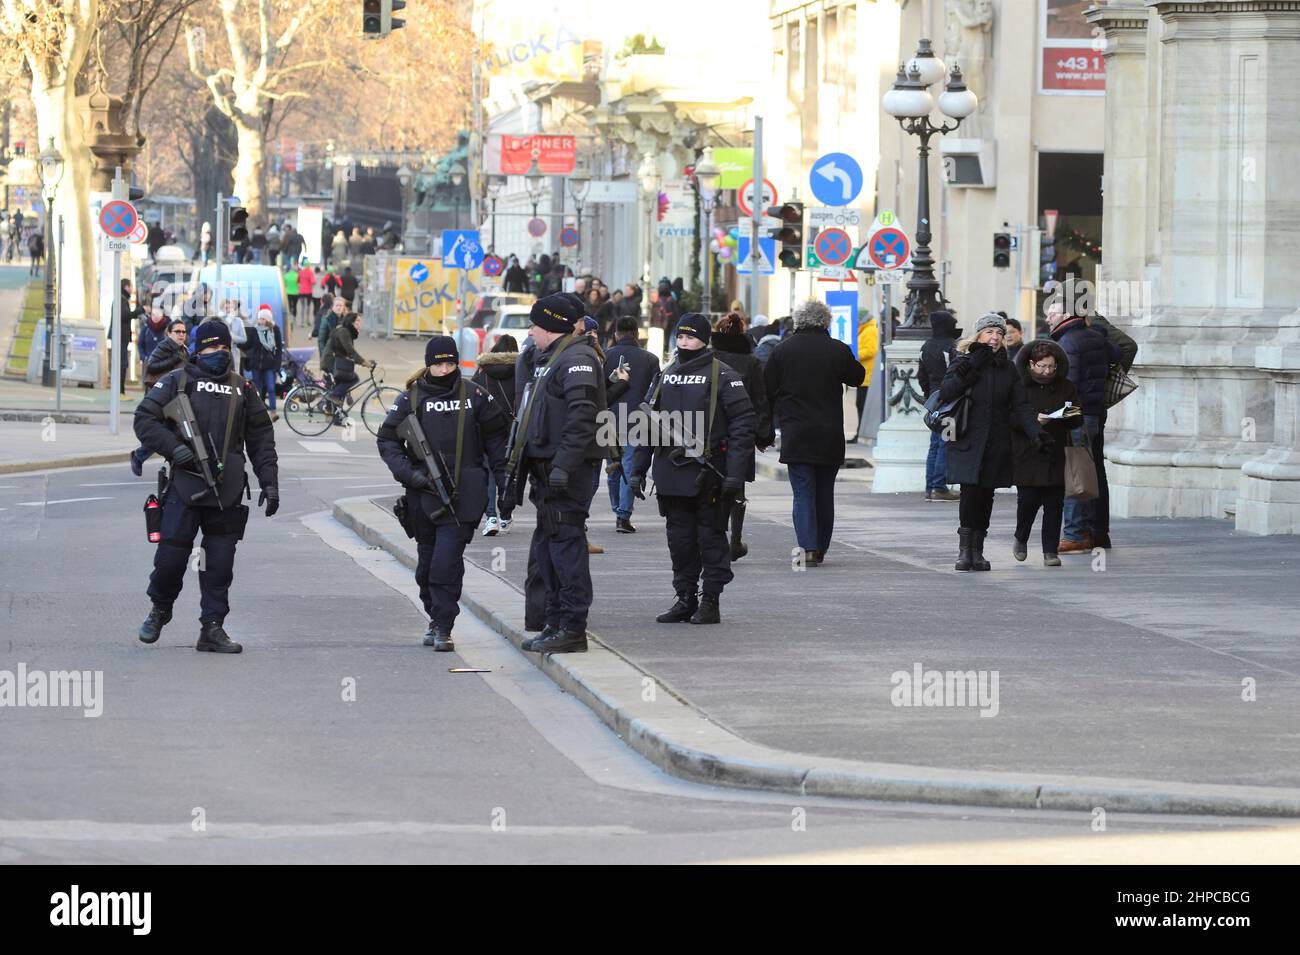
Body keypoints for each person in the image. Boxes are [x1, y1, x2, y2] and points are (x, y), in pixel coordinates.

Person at [133, 319, 279, 653]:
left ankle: (212, 628)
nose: (219, 353)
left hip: (226, 490)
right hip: (185, 485)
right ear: (199, 349)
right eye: (212, 347)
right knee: (171, 558)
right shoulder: (177, 381)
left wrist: (269, 483)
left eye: (225, 347)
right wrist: (175, 449)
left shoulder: (243, 388)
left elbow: (261, 438)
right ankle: (160, 610)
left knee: (219, 565)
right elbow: (144, 419)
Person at [378, 335, 510, 650]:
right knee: (426, 568)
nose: (445, 368)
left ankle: (443, 625)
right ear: (429, 364)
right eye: (438, 363)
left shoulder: (475, 395)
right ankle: (435, 616)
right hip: (422, 495)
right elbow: (387, 439)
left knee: (445, 563)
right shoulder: (411, 398)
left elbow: (497, 443)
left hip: (463, 496)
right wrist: (410, 474)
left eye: (450, 362)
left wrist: (506, 486)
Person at [628, 315, 756, 624]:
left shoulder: (724, 375)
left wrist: (736, 474)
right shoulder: (665, 375)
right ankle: (685, 597)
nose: (684, 343)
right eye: (680, 337)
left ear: (704, 339)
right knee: (680, 540)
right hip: (671, 472)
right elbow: (648, 423)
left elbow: (743, 424)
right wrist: (636, 470)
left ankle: (710, 601)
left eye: (691, 337)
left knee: (710, 538)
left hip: (709, 473)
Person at [505, 293, 605, 654]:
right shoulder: (549, 358)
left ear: (552, 326)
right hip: (547, 471)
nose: (530, 331)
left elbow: (582, 418)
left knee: (567, 549)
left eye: (534, 325)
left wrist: (563, 465)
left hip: (566, 472)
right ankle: (555, 621)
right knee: (551, 548)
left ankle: (572, 628)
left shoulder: (577, 358)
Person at [939, 312, 1047, 572]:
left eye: (999, 333)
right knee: (969, 493)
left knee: (986, 495)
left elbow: (1020, 406)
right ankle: (965, 552)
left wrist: (1036, 433)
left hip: (996, 441)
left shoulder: (1007, 368)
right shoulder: (963, 360)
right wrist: (972, 366)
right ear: (979, 335)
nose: (995, 337)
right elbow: (946, 392)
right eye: (990, 332)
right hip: (967, 439)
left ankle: (978, 552)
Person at [763, 300, 865, 566]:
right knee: (824, 492)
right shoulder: (837, 350)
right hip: (829, 433)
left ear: (798, 321)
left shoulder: (782, 350)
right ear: (826, 322)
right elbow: (857, 376)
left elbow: (767, 388)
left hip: (796, 432)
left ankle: (807, 547)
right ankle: (820, 548)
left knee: (803, 492)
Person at [1047, 300, 1121, 553]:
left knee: (1075, 473)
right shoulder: (1094, 337)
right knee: (1092, 472)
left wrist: (1056, 416)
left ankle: (1075, 534)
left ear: (1067, 315)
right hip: (1095, 413)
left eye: (1052, 314)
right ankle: (1096, 532)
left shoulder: (1068, 343)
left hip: (1077, 416)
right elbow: (1120, 352)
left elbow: (1070, 388)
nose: (1048, 319)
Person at [711, 312, 773, 558]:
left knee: (710, 484)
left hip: (711, 432)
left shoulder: (708, 359)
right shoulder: (751, 363)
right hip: (742, 431)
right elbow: (760, 401)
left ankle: (715, 537)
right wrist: (763, 436)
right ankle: (734, 542)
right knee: (737, 488)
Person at [1012, 339, 1078, 566]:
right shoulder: (1020, 386)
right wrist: (1034, 420)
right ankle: (1021, 537)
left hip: (1056, 451)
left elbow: (1077, 415)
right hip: (1027, 453)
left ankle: (1050, 551)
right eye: (1042, 366)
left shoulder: (1066, 386)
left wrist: (1064, 415)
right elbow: (1010, 418)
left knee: (1054, 504)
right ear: (1031, 364)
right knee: (1028, 502)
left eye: (1051, 367)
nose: (1047, 371)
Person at [603, 316, 660, 533]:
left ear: (616, 334)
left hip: (608, 419)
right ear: (637, 333)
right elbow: (655, 393)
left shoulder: (606, 356)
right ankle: (623, 515)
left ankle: (617, 506)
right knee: (629, 465)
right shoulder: (651, 359)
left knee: (613, 467)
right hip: (637, 419)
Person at [130, 319, 191, 477]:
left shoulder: (183, 349)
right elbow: (151, 366)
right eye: (177, 332)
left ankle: (141, 456)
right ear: (169, 333)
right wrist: (174, 360)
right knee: (167, 431)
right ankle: (139, 455)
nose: (181, 335)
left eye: (183, 332)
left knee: (172, 431)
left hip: (176, 395)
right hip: (162, 395)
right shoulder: (165, 346)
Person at [473, 334, 519, 537]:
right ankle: (505, 515)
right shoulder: (522, 370)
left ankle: (490, 517)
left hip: (486, 429)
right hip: (512, 431)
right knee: (508, 474)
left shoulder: (482, 372)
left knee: (489, 472)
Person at [918, 310, 962, 501]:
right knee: (946, 442)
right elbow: (957, 374)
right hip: (950, 400)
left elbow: (921, 376)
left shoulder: (926, 346)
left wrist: (929, 395)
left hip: (934, 400)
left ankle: (931, 487)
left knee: (935, 443)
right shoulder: (951, 347)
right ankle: (939, 487)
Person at [239, 305, 283, 420]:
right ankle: (258, 412)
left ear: (268, 319)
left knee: (271, 388)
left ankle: (273, 412)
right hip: (256, 364)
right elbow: (248, 344)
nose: (260, 320)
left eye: (263, 318)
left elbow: (278, 349)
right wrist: (237, 343)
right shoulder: (255, 329)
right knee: (257, 389)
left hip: (270, 365)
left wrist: (277, 365)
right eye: (259, 318)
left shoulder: (275, 330)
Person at [321, 311, 372, 404]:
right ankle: (333, 396)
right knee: (353, 378)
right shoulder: (343, 331)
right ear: (351, 322)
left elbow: (348, 353)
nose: (360, 323)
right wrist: (364, 362)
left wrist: (363, 361)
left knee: (343, 382)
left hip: (336, 361)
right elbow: (350, 351)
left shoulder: (347, 332)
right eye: (358, 320)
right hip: (331, 362)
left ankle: (334, 412)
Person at [850, 313, 880, 443]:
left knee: (862, 405)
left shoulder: (870, 330)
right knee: (860, 405)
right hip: (863, 375)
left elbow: (870, 350)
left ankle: (861, 434)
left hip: (867, 375)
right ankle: (859, 433)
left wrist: (853, 355)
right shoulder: (864, 330)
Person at [119, 280, 145, 395]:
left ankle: (121, 390)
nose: (132, 290)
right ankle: (120, 390)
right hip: (121, 336)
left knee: (123, 363)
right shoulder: (121, 299)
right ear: (126, 287)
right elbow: (124, 316)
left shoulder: (122, 298)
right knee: (122, 363)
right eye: (131, 287)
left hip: (121, 336)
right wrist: (140, 310)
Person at [317, 294, 345, 361]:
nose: (339, 307)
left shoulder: (345, 321)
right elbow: (321, 340)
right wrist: (324, 356)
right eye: (337, 305)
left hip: (342, 356)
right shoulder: (326, 320)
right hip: (329, 355)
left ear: (344, 307)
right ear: (332, 307)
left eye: (341, 305)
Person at [296, 261, 316, 327]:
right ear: (309, 265)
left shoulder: (300, 272)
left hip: (301, 291)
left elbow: (297, 281)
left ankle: (302, 322)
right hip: (308, 292)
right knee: (308, 306)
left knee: (302, 307)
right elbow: (313, 282)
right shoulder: (311, 272)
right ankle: (307, 321)